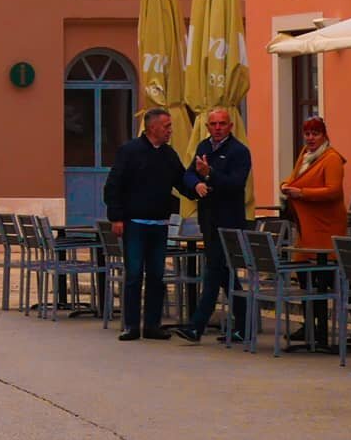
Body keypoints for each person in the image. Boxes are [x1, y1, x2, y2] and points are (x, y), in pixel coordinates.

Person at [103, 107, 199, 340]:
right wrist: (116, 217)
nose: (170, 131)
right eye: (167, 126)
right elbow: (113, 185)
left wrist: (198, 185)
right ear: (153, 127)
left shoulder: (169, 155)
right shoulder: (129, 151)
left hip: (159, 223)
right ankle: (132, 325)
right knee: (134, 273)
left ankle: (152, 325)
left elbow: (181, 181)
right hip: (135, 223)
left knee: (156, 275)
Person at [172, 106, 251, 344]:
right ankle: (245, 325)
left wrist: (211, 173)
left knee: (214, 270)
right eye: (213, 124)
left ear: (230, 126)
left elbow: (236, 184)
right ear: (207, 127)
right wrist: (196, 184)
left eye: (222, 124)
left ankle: (197, 327)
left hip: (229, 222)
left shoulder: (239, 151)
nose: (217, 128)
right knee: (225, 273)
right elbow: (188, 174)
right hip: (208, 218)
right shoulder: (203, 146)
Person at [280, 115, 350, 349]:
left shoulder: (332, 159)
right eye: (307, 133)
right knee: (304, 273)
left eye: (315, 134)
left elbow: (333, 191)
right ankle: (311, 324)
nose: (310, 138)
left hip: (327, 226)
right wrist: (285, 186)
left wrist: (302, 193)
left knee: (327, 277)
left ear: (324, 135)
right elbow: (294, 178)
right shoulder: (305, 154)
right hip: (307, 225)